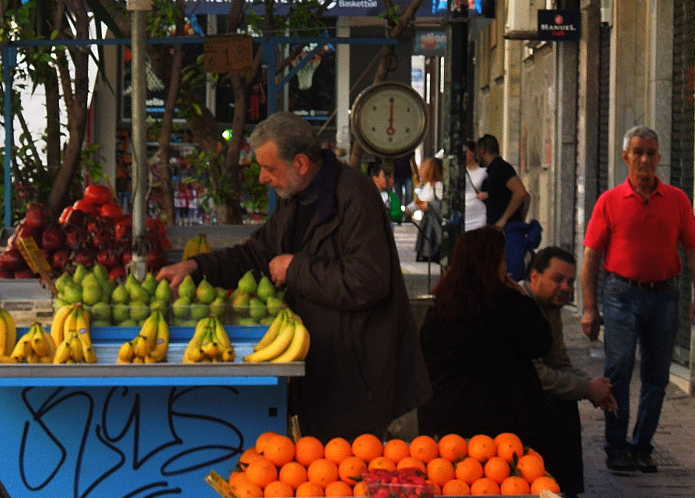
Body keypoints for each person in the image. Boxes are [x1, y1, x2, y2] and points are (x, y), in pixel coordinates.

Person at [157, 111, 430, 441]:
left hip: (356, 375)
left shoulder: (354, 197)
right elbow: (257, 255)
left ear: (300, 163)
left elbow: (367, 281)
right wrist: (197, 268)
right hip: (318, 365)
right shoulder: (297, 199)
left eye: (269, 168)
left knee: (344, 474)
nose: (262, 178)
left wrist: (295, 268)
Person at [580, 125, 695, 474]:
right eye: (637, 152)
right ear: (625, 157)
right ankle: (616, 447)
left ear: (659, 158)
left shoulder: (677, 200)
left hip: (664, 296)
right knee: (619, 370)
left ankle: (642, 446)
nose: (644, 159)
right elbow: (591, 258)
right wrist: (590, 308)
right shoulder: (609, 201)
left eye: (651, 153)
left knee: (656, 376)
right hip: (620, 295)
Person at [417, 226, 552, 446]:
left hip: (442, 423)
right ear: (491, 264)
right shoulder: (504, 303)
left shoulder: (440, 303)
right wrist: (525, 298)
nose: (506, 268)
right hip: (498, 429)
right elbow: (541, 342)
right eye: (503, 261)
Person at [520, 247, 617, 498]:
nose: (565, 287)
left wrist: (591, 386)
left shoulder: (550, 308)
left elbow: (559, 361)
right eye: (558, 279)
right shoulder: (524, 306)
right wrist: (586, 389)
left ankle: (569, 492)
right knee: (555, 401)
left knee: (566, 398)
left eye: (570, 282)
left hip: (534, 385)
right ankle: (556, 491)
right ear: (535, 276)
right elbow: (537, 372)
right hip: (511, 393)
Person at [475, 134, 529, 229]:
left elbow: (520, 192)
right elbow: (526, 197)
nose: (476, 156)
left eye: (477, 152)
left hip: (506, 230)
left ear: (482, 150)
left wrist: (504, 219)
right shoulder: (494, 170)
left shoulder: (499, 168)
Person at [410, 155, 443, 265]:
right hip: (428, 224)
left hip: (433, 224)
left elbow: (442, 205)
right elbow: (417, 201)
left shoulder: (438, 186)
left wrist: (429, 206)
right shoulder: (428, 186)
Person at [463, 143, 488, 231]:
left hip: (478, 213)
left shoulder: (484, 172)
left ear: (473, 153)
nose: (464, 154)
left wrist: (486, 194)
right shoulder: (460, 172)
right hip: (464, 213)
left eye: (466, 151)